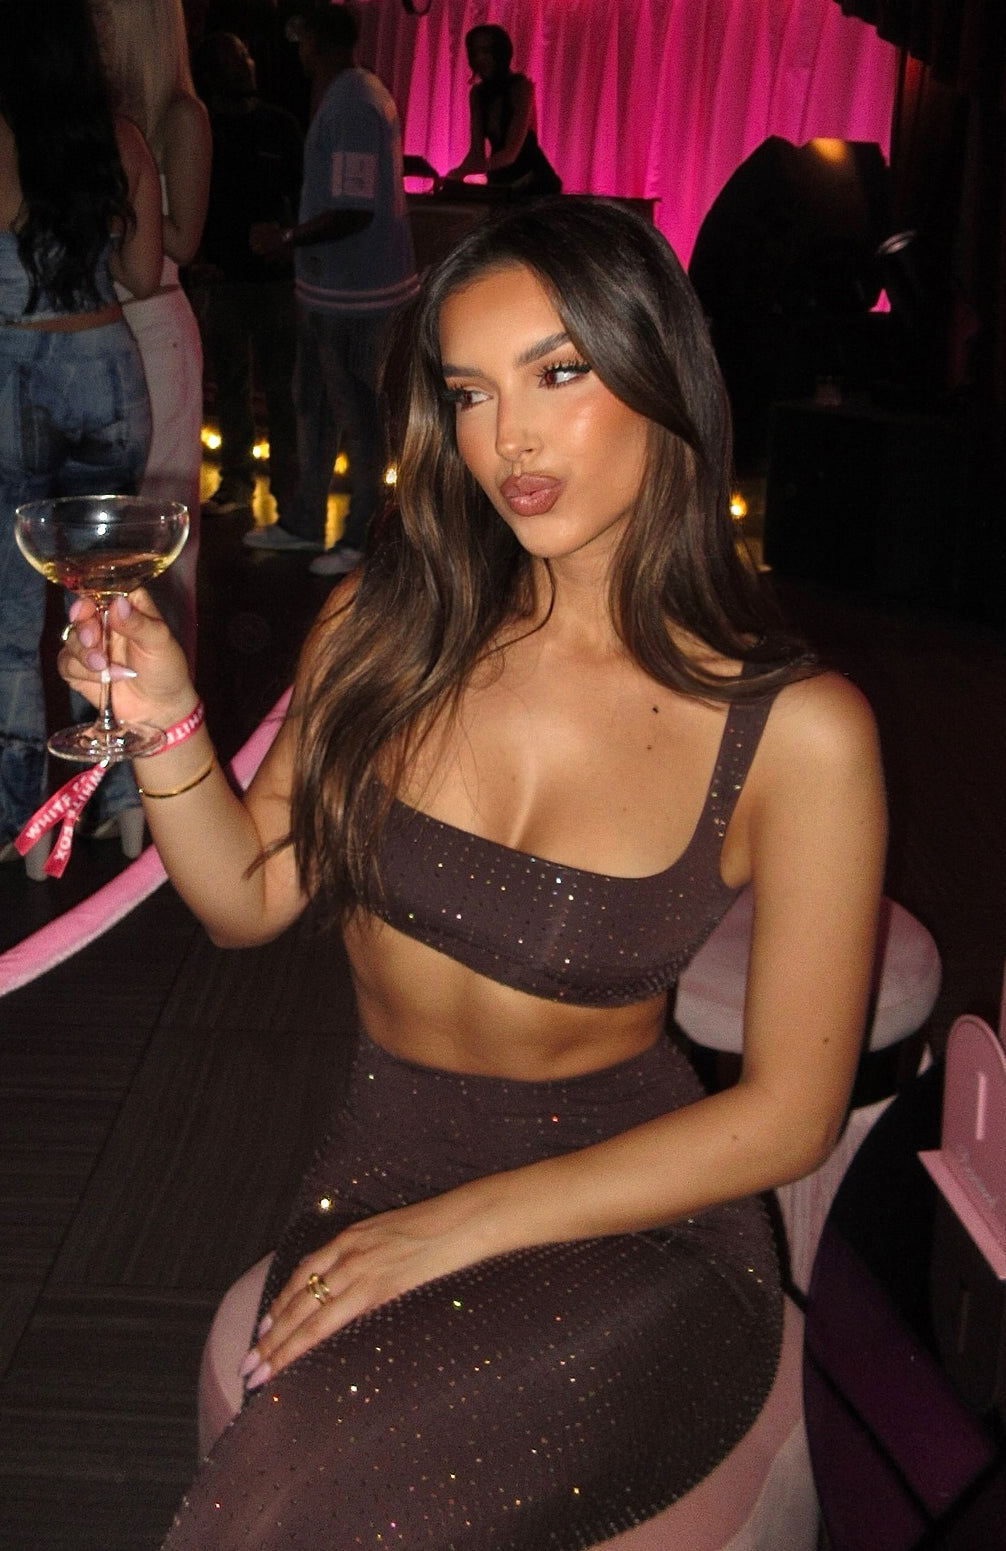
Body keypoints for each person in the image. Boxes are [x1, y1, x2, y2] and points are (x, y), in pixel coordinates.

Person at [60, 198, 886, 1548]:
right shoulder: (382, 629)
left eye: (558, 373)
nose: (509, 438)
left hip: (637, 1222)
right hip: (381, 1163)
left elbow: (791, 1117)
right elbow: (244, 897)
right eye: (469, 392)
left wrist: (456, 1231)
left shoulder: (794, 730)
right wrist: (162, 719)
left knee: (294, 1498)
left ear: (660, 378)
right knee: (299, 1483)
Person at [0, 0, 161, 879]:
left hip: (14, 370)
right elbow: (143, 271)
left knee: (9, 616)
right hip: (106, 366)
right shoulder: (120, 140)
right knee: (110, 601)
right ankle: (128, 801)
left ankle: (24, 817)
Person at [243, 3, 418, 578]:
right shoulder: (353, 94)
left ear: (314, 41)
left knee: (357, 415)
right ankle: (305, 521)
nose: (298, 51)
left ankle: (361, 534)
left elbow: (352, 209)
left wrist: (286, 238)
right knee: (315, 406)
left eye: (302, 40)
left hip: (357, 296)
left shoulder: (352, 103)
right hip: (335, 291)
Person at [96, 0, 211, 667]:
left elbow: (187, 239)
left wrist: (118, 207)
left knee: (162, 531)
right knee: (107, 531)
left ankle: (166, 697)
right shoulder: (101, 117)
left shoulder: (180, 115)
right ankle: (113, 683)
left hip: (156, 322)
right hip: (102, 325)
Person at [192, 31, 303, 520]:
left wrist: (291, 240)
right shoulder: (206, 127)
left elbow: (302, 194)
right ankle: (237, 481)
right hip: (224, 277)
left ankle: (288, 489)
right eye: (233, 59)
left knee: (281, 390)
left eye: (246, 55)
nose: (246, 65)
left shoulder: (279, 124)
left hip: (275, 277)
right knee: (232, 387)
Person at [444, 23, 562, 199]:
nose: (479, 59)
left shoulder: (521, 87)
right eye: (475, 53)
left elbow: (510, 154)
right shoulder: (478, 93)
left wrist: (461, 172)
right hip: (501, 178)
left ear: (500, 54)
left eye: (486, 51)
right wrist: (456, 175)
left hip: (533, 181)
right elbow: (476, 153)